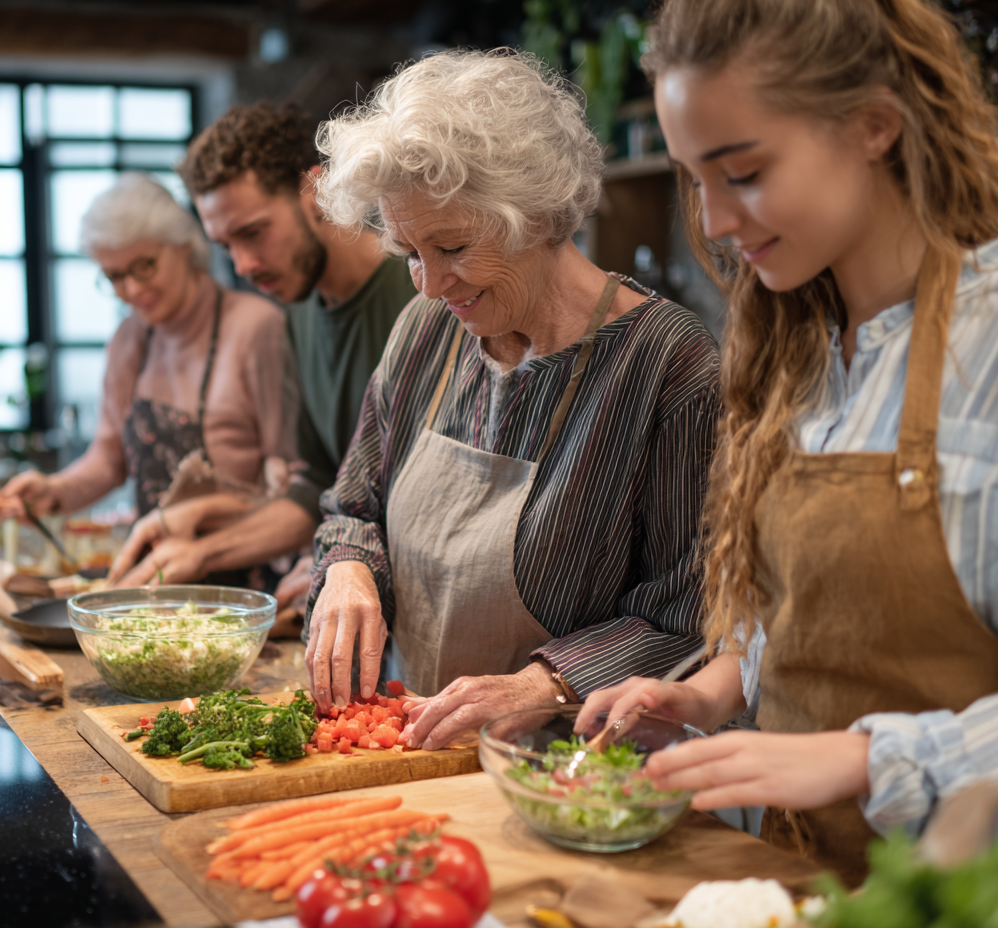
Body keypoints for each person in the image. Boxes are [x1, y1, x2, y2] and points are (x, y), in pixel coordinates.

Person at [578, 0, 998, 885]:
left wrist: (866, 758)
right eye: (695, 180)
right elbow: (800, 617)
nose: (715, 220)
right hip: (798, 881)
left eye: (743, 173)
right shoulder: (791, 347)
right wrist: (708, 693)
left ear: (874, 125)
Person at [306, 49, 720, 749]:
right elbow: (353, 507)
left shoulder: (668, 364)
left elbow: (687, 617)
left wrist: (543, 685)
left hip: (573, 769)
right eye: (409, 253)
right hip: (410, 745)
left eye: (453, 247)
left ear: (536, 215)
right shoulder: (425, 331)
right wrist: (348, 569)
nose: (429, 284)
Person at [107, 104, 417, 624]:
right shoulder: (298, 311)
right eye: (226, 245)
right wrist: (198, 546)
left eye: (253, 232)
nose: (243, 265)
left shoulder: (421, 294)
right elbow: (314, 490)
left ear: (315, 190)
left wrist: (343, 560)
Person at [0, 174, 295, 541]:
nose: (131, 289)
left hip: (243, 556)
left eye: (144, 266)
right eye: (114, 276)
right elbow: (108, 459)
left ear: (184, 245)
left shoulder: (255, 327)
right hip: (154, 560)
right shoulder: (128, 340)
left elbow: (290, 481)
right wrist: (54, 491)